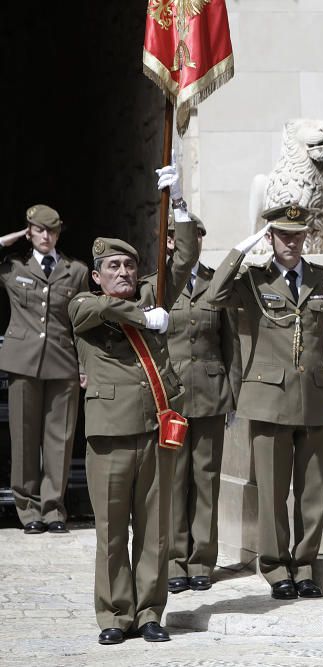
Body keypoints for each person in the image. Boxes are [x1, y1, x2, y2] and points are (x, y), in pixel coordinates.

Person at [68, 166, 195, 644]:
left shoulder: (151, 292)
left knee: (155, 530)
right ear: (97, 275)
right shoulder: (86, 304)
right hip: (110, 434)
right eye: (112, 268)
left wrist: (178, 204)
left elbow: (184, 260)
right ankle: (113, 615)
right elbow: (97, 311)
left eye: (129, 267)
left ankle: (149, 612)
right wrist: (146, 316)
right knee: (111, 532)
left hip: (156, 430)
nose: (122, 273)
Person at [205, 203, 323, 601]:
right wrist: (242, 249)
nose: (292, 241)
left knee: (312, 491)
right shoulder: (254, 280)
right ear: (270, 237)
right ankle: (275, 567)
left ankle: (305, 567)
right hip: (268, 398)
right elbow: (214, 295)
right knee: (271, 491)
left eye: (298, 234)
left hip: (316, 396)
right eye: (283, 234)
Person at [148, 213, 241, 595]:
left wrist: (233, 395)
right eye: (178, 237)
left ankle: (202, 559)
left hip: (210, 391)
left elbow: (231, 343)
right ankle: (173, 559)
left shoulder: (215, 281)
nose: (188, 241)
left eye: (196, 235)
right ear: (169, 242)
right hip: (169, 395)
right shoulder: (158, 284)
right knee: (173, 479)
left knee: (206, 479)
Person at [0, 205, 89, 534]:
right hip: (23, 362)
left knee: (59, 439)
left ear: (59, 232)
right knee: (23, 438)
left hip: (63, 361)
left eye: (51, 231)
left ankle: (53, 509)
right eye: (39, 230)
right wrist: (6, 241)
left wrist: (85, 365)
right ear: (29, 231)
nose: (45, 237)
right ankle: (27, 509)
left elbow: (83, 324)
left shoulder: (76, 271)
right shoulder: (13, 267)